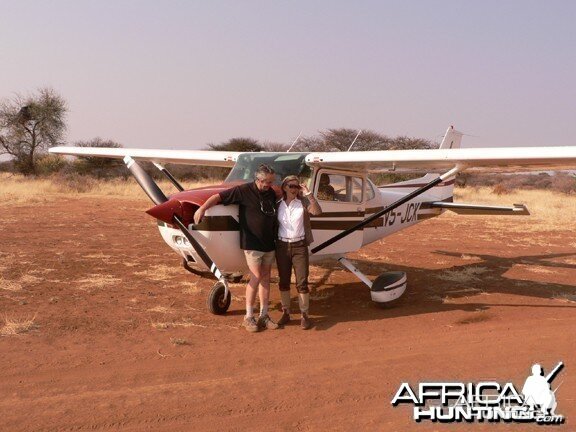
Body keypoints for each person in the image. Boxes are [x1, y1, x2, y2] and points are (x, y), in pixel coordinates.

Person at [194, 165, 279, 333]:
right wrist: (203, 208)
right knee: (255, 277)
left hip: (269, 242)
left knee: (266, 278)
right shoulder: (243, 190)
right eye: (266, 182)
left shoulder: (270, 193)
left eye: (271, 182)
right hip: (252, 243)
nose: (269, 185)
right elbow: (218, 196)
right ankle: (248, 317)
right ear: (258, 179)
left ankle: (264, 315)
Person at [275, 175, 322, 329]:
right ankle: (286, 312)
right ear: (284, 187)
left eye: (296, 186)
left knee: (302, 282)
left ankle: (304, 315)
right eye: (291, 186)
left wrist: (308, 194)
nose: (294, 189)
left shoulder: (303, 203)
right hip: (282, 246)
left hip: (300, 246)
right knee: (283, 281)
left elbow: (317, 212)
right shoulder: (278, 205)